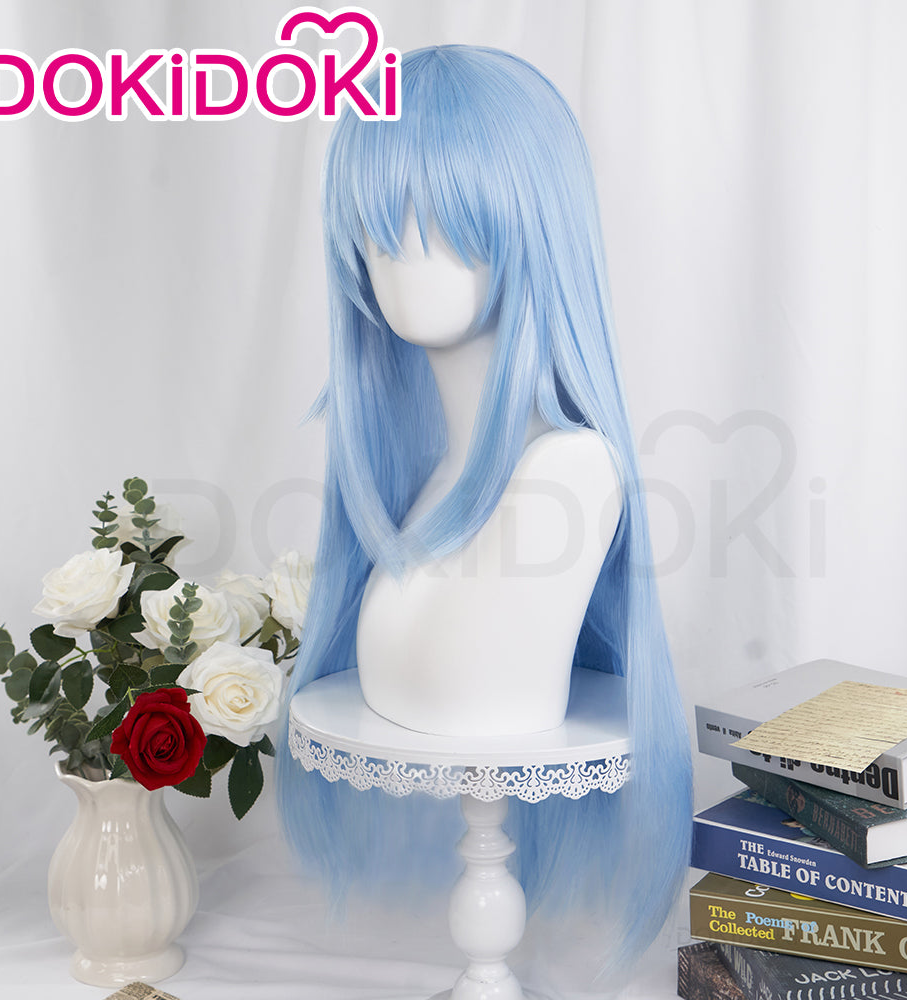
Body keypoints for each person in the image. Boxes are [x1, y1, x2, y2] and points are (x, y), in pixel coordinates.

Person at [277, 44, 692, 965]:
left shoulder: (566, 475)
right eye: (380, 215)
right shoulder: (430, 479)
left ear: (528, 219)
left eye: (444, 210)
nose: (403, 246)